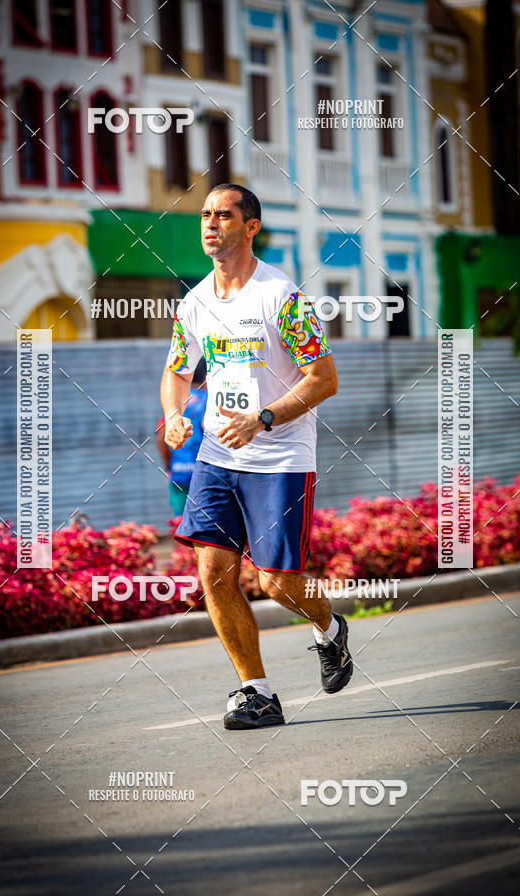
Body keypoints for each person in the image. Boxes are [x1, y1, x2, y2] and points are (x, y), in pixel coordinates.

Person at [160, 184, 353, 730]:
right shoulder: (195, 301)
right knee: (215, 573)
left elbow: (324, 379)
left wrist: (264, 418)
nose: (210, 224)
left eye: (224, 215)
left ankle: (330, 628)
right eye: (205, 215)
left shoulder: (282, 297)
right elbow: (176, 372)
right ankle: (257, 691)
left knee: (275, 582)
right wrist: (174, 415)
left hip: (280, 458)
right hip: (218, 457)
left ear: (251, 227)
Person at [157, 358, 207, 516]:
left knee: (179, 526)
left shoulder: (174, 403)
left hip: (178, 472)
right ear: (207, 376)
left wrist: (168, 466)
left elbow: (161, 437)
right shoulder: (210, 401)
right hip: (204, 474)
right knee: (207, 528)